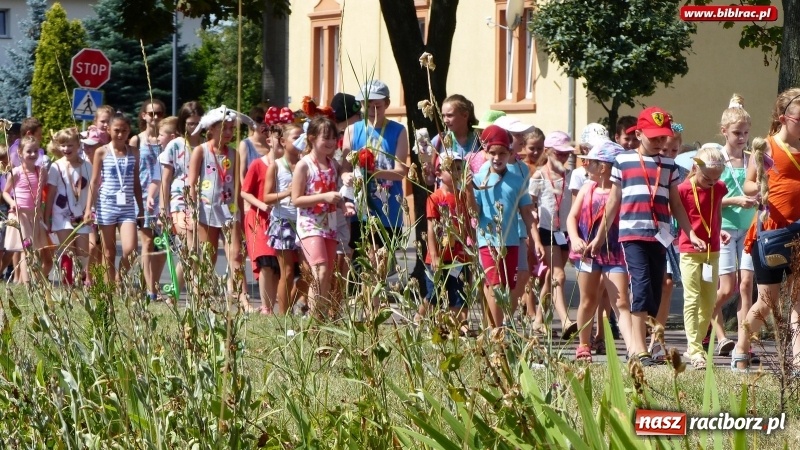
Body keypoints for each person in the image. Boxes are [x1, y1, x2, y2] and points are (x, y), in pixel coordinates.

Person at [588, 106, 698, 366]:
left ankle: (642, 345)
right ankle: (638, 350)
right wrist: (599, 237)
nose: (660, 143)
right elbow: (613, 202)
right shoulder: (623, 162)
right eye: (654, 137)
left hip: (659, 236)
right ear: (638, 134)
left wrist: (690, 232)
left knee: (655, 292)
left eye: (663, 138)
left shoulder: (669, 165)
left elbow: (676, 205)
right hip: (632, 236)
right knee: (640, 286)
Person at [733, 88, 800, 373]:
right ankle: (740, 347)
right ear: (785, 118)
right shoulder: (768, 147)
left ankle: (798, 362)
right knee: (766, 301)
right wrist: (760, 191)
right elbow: (748, 183)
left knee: (799, 300)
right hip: (772, 234)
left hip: (799, 233)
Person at [465, 125, 541, 328]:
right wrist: (469, 191)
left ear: (510, 153)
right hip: (488, 241)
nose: (497, 158)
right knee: (494, 285)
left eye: (502, 153)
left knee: (508, 286)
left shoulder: (518, 179)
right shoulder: (479, 179)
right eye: (492, 153)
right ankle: (494, 330)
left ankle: (495, 326)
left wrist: (535, 239)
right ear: (486, 153)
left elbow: (526, 211)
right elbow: (474, 213)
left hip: (512, 241)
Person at [567, 141, 631, 362]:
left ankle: (632, 346)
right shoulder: (587, 188)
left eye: (590, 162)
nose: (585, 166)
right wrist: (575, 238)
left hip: (615, 252)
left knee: (620, 301)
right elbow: (572, 217)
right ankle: (584, 343)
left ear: (603, 167)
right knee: (588, 299)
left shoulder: (621, 192)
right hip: (588, 253)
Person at [188, 106, 250, 310]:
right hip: (206, 210)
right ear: (211, 129)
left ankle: (242, 297)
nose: (230, 133)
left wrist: (241, 216)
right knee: (208, 255)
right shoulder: (201, 151)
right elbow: (191, 183)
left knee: (236, 254)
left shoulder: (234, 154)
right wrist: (192, 211)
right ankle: (201, 295)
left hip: (230, 209)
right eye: (225, 129)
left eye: (232, 129)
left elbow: (238, 186)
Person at [710, 95, 758, 357]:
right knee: (727, 287)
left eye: (746, 133)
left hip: (749, 228)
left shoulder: (752, 159)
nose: (742, 138)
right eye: (737, 133)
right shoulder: (717, 159)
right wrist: (735, 199)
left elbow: (758, 188)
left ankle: (743, 342)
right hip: (725, 228)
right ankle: (710, 322)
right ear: (724, 132)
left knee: (746, 284)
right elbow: (707, 199)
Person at [676, 144, 729, 369]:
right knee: (692, 298)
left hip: (712, 251)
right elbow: (681, 217)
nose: (711, 183)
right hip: (690, 250)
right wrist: (692, 235)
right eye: (707, 178)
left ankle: (693, 345)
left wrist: (720, 229)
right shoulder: (683, 189)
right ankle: (696, 350)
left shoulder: (719, 187)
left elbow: (716, 211)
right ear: (696, 167)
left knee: (708, 303)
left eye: (716, 179)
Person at [292, 116, 349, 319]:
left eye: (334, 138)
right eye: (326, 138)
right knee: (320, 271)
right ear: (312, 138)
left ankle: (319, 316)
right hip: (309, 225)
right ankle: (314, 320)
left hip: (329, 225)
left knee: (327, 275)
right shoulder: (304, 165)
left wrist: (344, 204)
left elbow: (334, 194)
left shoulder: (333, 164)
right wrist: (324, 197)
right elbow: (296, 199)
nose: (332, 142)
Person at [344, 80, 409, 257]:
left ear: (387, 104)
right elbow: (344, 168)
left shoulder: (398, 130)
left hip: (388, 209)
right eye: (367, 105)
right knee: (361, 262)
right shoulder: (352, 130)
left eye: (377, 106)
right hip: (359, 209)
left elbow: (400, 172)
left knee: (381, 265)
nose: (372, 110)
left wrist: (372, 173)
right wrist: (347, 177)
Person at [240, 107, 293, 315]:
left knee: (280, 266)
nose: (280, 142)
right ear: (269, 140)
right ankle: (266, 307)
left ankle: (282, 306)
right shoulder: (258, 164)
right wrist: (262, 205)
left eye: (283, 138)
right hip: (259, 218)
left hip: (282, 218)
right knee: (265, 262)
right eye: (276, 137)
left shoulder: (291, 165)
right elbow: (245, 192)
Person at [85, 113, 143, 284]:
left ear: (129, 131)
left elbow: (136, 181)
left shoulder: (134, 152)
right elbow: (94, 182)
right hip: (106, 205)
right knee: (108, 252)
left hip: (127, 207)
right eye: (116, 130)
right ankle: (109, 288)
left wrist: (141, 208)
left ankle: (119, 278)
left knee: (130, 250)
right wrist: (89, 209)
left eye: (124, 130)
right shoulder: (101, 152)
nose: (120, 134)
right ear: (109, 130)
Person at [529, 131, 576, 339]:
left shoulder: (572, 175)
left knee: (550, 278)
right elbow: (529, 206)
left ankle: (539, 320)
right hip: (547, 230)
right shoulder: (539, 175)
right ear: (548, 152)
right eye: (559, 154)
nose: (563, 158)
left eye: (566, 154)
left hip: (564, 233)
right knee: (559, 275)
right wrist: (535, 238)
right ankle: (565, 321)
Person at [419, 152, 469, 329]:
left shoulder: (463, 196)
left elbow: (468, 225)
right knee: (434, 292)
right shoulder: (434, 198)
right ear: (439, 173)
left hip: (458, 256)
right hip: (440, 254)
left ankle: (458, 324)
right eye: (452, 169)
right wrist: (434, 254)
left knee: (459, 291)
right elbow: (431, 228)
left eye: (459, 168)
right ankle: (420, 319)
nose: (457, 172)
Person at [159, 101, 204, 292]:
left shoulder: (205, 146)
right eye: (190, 123)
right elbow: (165, 180)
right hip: (179, 201)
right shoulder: (175, 145)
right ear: (182, 123)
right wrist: (163, 210)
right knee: (189, 247)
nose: (193, 128)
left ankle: (179, 291)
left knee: (195, 251)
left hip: (202, 202)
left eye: (197, 123)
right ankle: (187, 290)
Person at [263, 123, 305, 316]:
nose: (300, 141)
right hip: (283, 220)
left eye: (302, 137)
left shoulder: (307, 163)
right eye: (295, 137)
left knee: (310, 273)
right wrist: (288, 192)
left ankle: (289, 306)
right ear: (283, 141)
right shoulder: (276, 166)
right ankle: (282, 316)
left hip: (305, 221)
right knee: (287, 272)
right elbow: (267, 197)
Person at [45, 128, 92, 286]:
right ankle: (67, 283)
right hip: (62, 214)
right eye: (63, 145)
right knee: (68, 250)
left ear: (78, 145)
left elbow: (93, 191)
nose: (66, 149)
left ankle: (79, 279)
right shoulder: (56, 167)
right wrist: (47, 218)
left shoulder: (87, 166)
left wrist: (91, 210)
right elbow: (50, 194)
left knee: (83, 252)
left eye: (70, 145)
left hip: (82, 214)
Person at [130, 99, 166, 301]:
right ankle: (150, 289)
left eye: (159, 113)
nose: (155, 117)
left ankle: (154, 283)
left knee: (162, 244)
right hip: (142, 196)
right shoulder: (137, 140)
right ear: (143, 115)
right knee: (148, 241)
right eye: (151, 113)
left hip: (163, 198)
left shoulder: (166, 140)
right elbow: (133, 170)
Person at [2, 137, 51, 284]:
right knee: (26, 249)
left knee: (34, 249)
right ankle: (27, 282)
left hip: (34, 215)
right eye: (28, 151)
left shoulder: (41, 171)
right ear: (20, 153)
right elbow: (6, 192)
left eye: (35, 151)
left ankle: (33, 280)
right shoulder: (16, 172)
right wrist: (12, 202)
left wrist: (41, 210)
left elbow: (43, 191)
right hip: (20, 214)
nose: (32, 154)